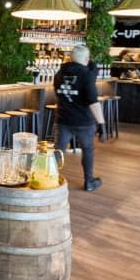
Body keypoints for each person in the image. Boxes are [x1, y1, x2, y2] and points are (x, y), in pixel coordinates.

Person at [53, 44, 106, 191]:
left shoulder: (59, 73)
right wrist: (101, 124)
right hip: (83, 121)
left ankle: (49, 179)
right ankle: (89, 181)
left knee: (58, 150)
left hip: (63, 119)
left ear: (70, 57)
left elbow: (60, 94)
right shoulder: (86, 75)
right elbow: (93, 102)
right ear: (87, 59)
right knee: (87, 149)